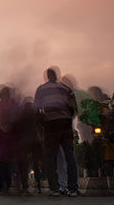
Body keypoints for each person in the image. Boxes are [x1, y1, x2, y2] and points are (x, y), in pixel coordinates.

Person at [34, 67, 79, 197]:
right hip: (65, 123)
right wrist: (67, 117)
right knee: (69, 156)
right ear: (56, 76)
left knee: (51, 157)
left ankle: (55, 188)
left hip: (50, 124)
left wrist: (42, 122)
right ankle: (73, 188)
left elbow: (36, 108)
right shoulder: (65, 89)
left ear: (47, 76)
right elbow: (73, 107)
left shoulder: (41, 89)